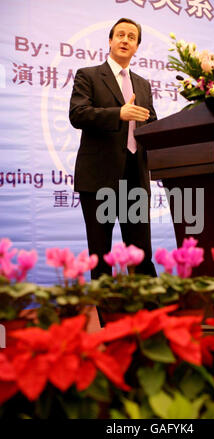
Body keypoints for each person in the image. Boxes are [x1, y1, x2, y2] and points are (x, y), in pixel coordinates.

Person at [69, 18, 157, 283]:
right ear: (110, 40)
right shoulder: (89, 75)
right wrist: (119, 113)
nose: (125, 40)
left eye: (132, 36)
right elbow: (78, 114)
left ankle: (150, 317)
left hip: (135, 177)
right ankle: (107, 321)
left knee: (140, 252)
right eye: (120, 34)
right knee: (101, 253)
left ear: (137, 46)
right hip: (99, 179)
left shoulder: (143, 85)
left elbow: (150, 124)